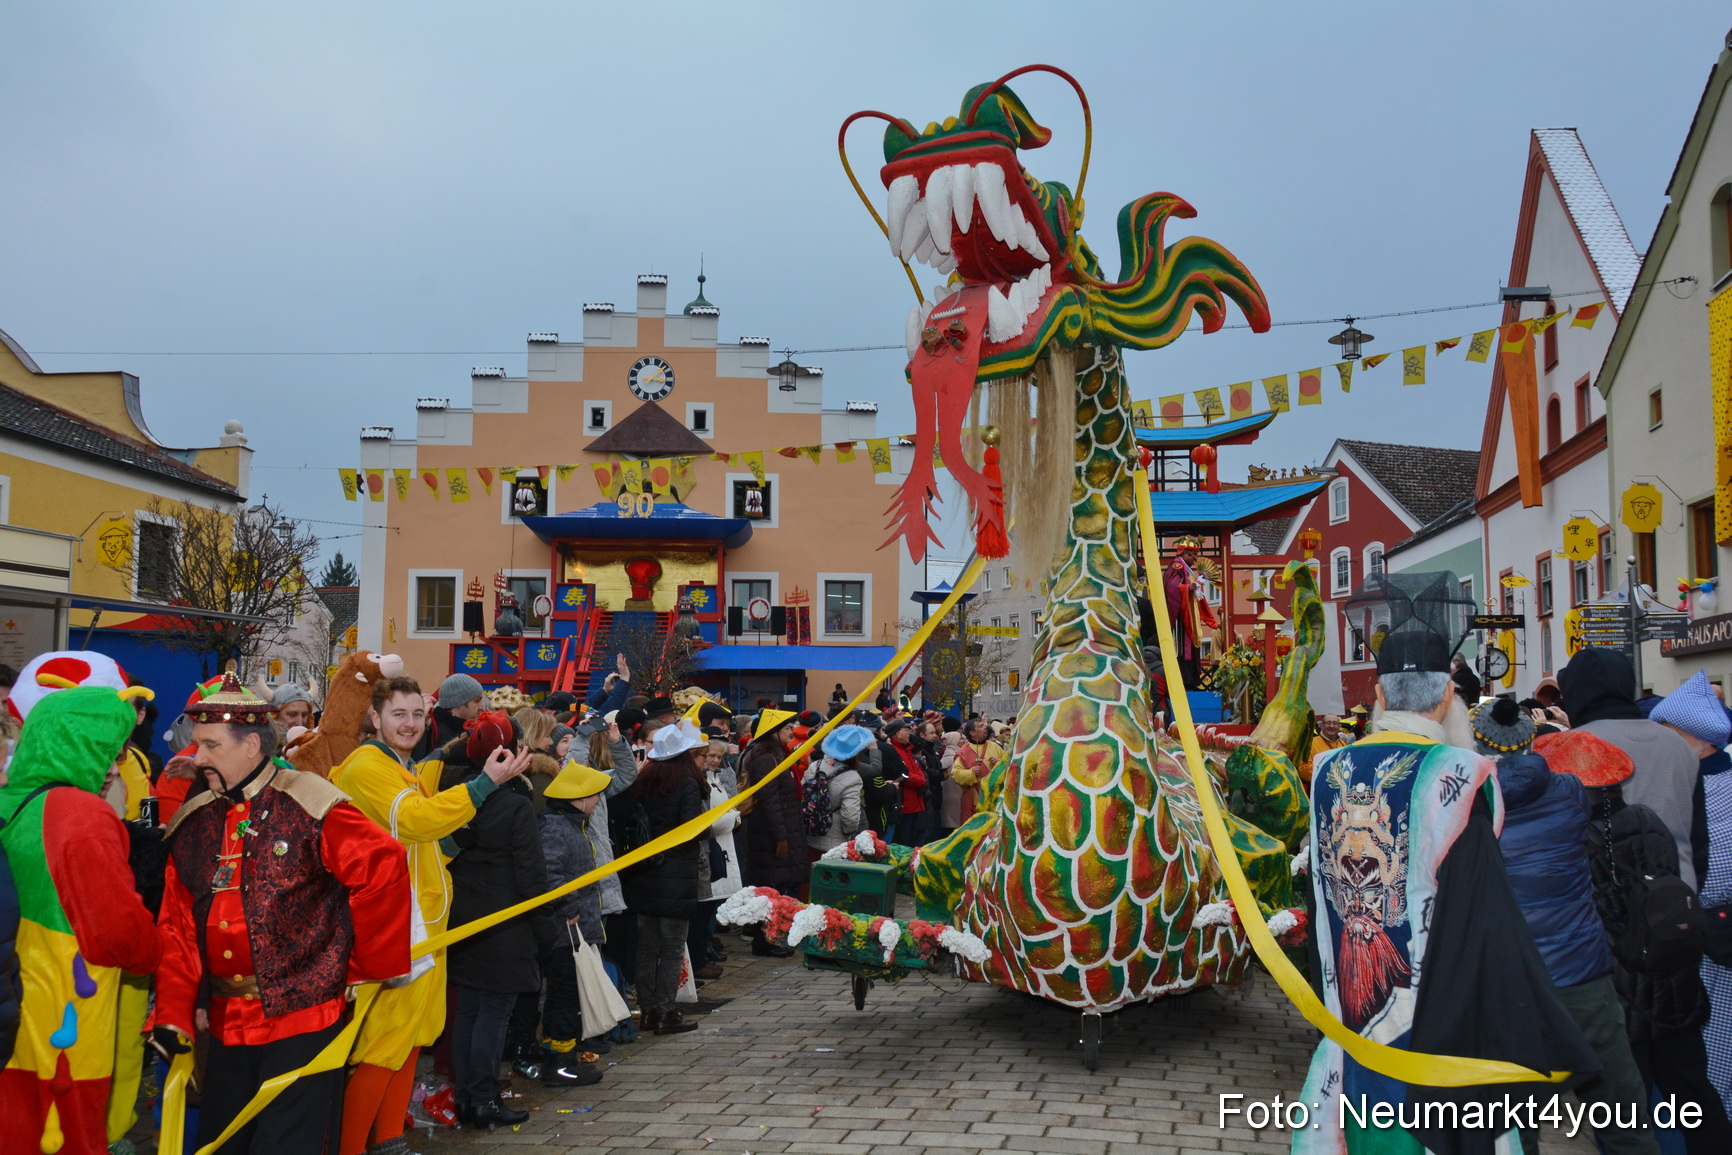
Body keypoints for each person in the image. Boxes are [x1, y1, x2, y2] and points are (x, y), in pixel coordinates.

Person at [1298, 574, 1597, 1154]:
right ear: (1444, 699)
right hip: (1434, 1022)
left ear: (1379, 697)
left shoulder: (1326, 773)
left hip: (1350, 1014)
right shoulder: (1461, 779)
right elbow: (1482, 915)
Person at [153, 673, 410, 1155]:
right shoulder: (197, 821)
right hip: (228, 1022)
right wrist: (172, 1013)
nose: (197, 757)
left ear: (251, 744)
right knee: (225, 1142)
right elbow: (177, 925)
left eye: (210, 745)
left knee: (291, 1143)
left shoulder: (310, 802)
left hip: (304, 1019)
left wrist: (357, 967)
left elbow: (384, 865)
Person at [333, 677, 531, 1152]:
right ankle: (353, 1146)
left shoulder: (404, 767)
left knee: (414, 1037)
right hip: (392, 926)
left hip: (425, 923)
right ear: (375, 718)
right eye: (398, 714)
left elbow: (421, 840)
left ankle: (389, 1139)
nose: (410, 724)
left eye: (416, 715)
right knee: (386, 1042)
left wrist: (454, 838)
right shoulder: (366, 767)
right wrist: (485, 785)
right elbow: (418, 819)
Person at [1468, 697, 1659, 1155]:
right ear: (1531, 741)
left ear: (1476, 743)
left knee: (1512, 1127)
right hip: (1584, 976)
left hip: (1512, 985)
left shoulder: (1468, 808)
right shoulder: (1570, 792)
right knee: (1622, 1118)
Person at [0, 685, 162, 1155]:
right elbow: (120, 934)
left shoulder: (9, 801)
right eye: (107, 752)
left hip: (13, 1011)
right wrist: (156, 950)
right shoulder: (80, 814)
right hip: (66, 1020)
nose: (114, 767)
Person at [438, 712, 575, 1123]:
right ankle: (483, 1098)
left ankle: (466, 1096)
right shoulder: (515, 806)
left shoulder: (456, 795)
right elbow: (531, 874)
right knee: (493, 1014)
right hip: (507, 921)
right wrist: (544, 927)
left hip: (464, 917)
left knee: (470, 1011)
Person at [1562, 649, 1704, 888]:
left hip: (1604, 898)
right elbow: (1699, 835)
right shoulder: (1678, 744)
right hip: (1676, 894)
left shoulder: (1569, 748)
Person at [622, 721, 708, 1035]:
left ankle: (647, 1011)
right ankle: (667, 1012)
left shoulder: (644, 778)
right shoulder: (687, 781)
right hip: (675, 874)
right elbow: (690, 829)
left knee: (646, 946)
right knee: (672, 946)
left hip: (644, 871)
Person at [538, 758, 624, 1071]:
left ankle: (556, 1051)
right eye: (594, 794)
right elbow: (551, 873)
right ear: (578, 798)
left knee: (566, 994)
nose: (599, 799)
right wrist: (570, 909)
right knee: (566, 996)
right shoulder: (557, 828)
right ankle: (560, 1061)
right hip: (566, 929)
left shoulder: (570, 824)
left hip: (576, 926)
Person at [740, 709, 807, 954]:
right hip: (769, 834)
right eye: (787, 728)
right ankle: (765, 940)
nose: (791, 731)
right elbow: (769, 800)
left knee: (778, 887)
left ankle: (775, 937)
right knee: (770, 888)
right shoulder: (767, 758)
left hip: (782, 828)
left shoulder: (779, 755)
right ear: (774, 732)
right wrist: (781, 837)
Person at [1163, 535, 1218, 690]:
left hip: (1190, 614)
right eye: (1193, 554)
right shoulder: (1177, 567)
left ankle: (1191, 679)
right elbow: (1171, 588)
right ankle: (1185, 680)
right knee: (1183, 648)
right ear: (1184, 553)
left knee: (1192, 646)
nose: (1195, 558)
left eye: (1196, 554)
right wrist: (1188, 588)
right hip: (1182, 617)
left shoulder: (1186, 568)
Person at [804, 725, 869, 855]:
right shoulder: (852, 778)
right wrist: (848, 834)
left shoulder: (814, 766)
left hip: (809, 835)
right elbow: (850, 817)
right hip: (834, 846)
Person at [942, 717, 1004, 832]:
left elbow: (1008, 764)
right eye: (980, 726)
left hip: (995, 799)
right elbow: (956, 774)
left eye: (984, 725)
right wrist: (971, 773)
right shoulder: (963, 752)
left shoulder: (995, 747)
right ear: (972, 733)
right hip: (974, 800)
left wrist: (1000, 764)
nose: (985, 727)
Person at [412, 673, 487, 760]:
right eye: (476, 701)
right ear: (458, 704)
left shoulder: (475, 728)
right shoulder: (432, 732)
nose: (481, 707)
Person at [882, 719, 928, 846]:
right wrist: (920, 780)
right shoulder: (894, 751)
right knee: (905, 842)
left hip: (915, 803)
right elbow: (904, 775)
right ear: (897, 734)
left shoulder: (907, 750)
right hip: (905, 804)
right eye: (906, 730)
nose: (909, 733)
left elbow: (918, 771)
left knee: (914, 840)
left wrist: (920, 779)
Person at [1300, 713, 1345, 786]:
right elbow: (1303, 769)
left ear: (1339, 726)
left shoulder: (1343, 744)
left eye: (1335, 723)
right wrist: (1327, 772)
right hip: (1319, 788)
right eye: (1328, 723)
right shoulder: (1311, 743)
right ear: (1322, 725)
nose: (1331, 726)